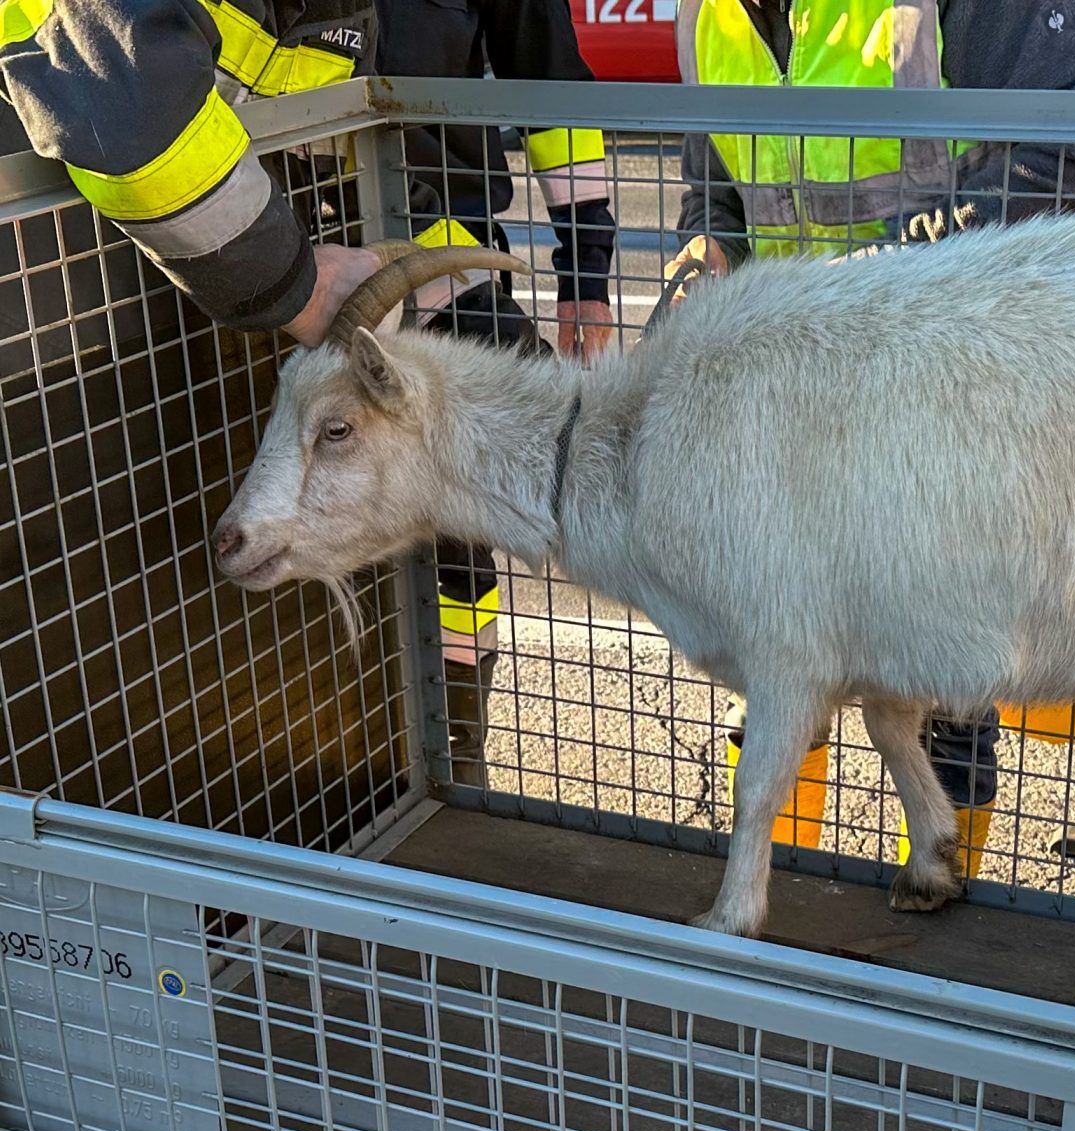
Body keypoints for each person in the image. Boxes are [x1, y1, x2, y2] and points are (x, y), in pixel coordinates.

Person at [0, 0, 617, 784]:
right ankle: (372, 775)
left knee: (473, 542)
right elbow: (135, 93)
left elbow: (548, 78)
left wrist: (587, 268)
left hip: (429, 271)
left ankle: (451, 755)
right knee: (293, 543)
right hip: (240, 275)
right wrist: (291, 283)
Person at [665, 0, 1075, 875]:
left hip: (960, 405)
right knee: (782, 667)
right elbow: (720, 200)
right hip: (800, 421)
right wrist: (702, 266)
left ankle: (941, 908)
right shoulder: (709, 20)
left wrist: (896, 270)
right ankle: (790, 897)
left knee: (953, 683)